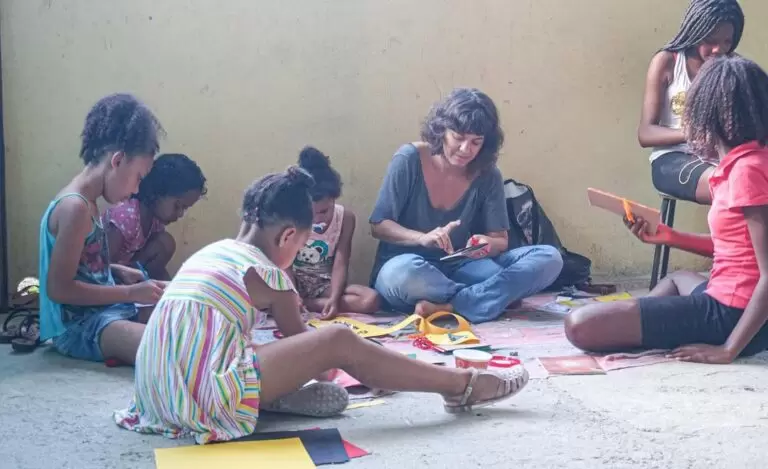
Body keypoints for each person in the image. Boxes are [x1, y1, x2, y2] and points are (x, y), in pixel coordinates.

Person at [114, 166, 529, 444]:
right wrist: (373, 365)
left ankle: (276, 397)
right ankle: (462, 386)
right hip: (203, 399)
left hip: (157, 394)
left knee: (258, 347)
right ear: (287, 236)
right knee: (338, 339)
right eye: (300, 246)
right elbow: (323, 359)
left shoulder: (211, 253)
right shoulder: (271, 276)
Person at [566, 56, 768, 364]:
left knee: (578, 324)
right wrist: (669, 236)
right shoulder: (738, 164)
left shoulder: (747, 170)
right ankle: (645, 324)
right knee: (677, 279)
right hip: (729, 299)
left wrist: (728, 349)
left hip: (731, 314)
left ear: (711, 114)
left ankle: (645, 327)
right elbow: (737, 247)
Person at [369, 88, 563, 323]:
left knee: (549, 257)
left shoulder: (488, 174)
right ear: (441, 130)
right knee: (402, 275)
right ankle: (491, 298)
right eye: (458, 138)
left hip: (463, 266)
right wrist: (422, 238)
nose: (465, 149)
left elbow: (500, 241)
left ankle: (451, 305)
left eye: (476, 142)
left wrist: (486, 244)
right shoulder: (409, 158)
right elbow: (379, 225)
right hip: (409, 268)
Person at [38, 93, 167, 363]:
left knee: (177, 310)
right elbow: (59, 289)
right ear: (117, 161)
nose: (137, 189)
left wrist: (116, 270)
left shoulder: (88, 203)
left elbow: (81, 266)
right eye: (138, 178)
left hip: (106, 311)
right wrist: (130, 293)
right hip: (79, 327)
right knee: (166, 348)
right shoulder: (75, 208)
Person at [638, 0, 744, 204]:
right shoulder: (668, 62)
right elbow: (645, 134)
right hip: (673, 158)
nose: (718, 49)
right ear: (695, 31)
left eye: (727, 42)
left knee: (752, 181)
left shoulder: (734, 67)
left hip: (722, 155)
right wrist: (694, 134)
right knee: (733, 186)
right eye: (711, 40)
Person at [292, 146, 380, 318]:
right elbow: (284, 266)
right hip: (294, 283)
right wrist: (293, 295)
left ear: (334, 198)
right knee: (264, 294)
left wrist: (333, 298)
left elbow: (341, 262)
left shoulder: (345, 218)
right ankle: (298, 302)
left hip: (325, 284)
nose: (317, 219)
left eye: (324, 211)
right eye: (311, 213)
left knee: (370, 300)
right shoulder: (293, 218)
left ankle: (311, 304)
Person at [103, 153, 207, 280]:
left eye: (184, 208)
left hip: (127, 271)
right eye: (178, 206)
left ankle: (141, 283)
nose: (180, 214)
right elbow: (100, 264)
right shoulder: (126, 218)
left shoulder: (155, 221)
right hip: (103, 276)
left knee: (166, 242)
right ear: (157, 192)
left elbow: (159, 269)